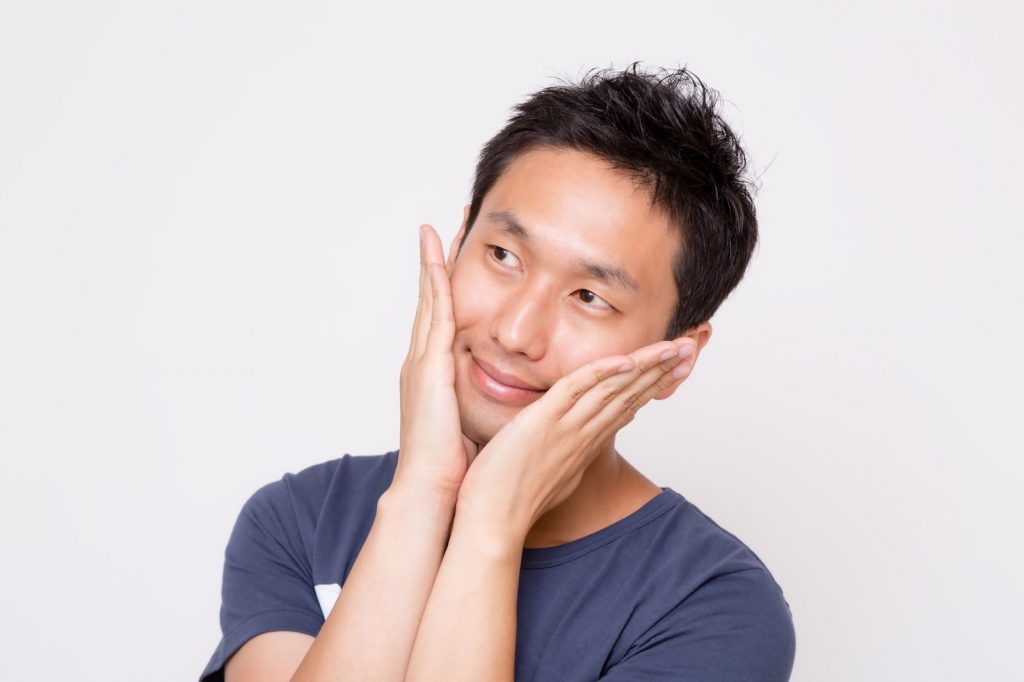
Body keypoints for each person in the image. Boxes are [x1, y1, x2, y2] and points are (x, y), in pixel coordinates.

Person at [201, 63, 796, 682]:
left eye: (590, 296)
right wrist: (423, 496)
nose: (514, 334)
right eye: (504, 255)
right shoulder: (300, 521)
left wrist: (489, 525)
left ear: (675, 359)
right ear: (458, 243)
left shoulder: (714, 610)